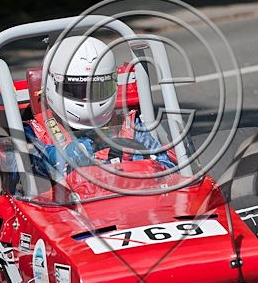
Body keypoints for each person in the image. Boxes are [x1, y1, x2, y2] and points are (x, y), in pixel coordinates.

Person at [23, 35, 174, 181]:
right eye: (78, 90)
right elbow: (24, 165)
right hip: (70, 204)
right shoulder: (37, 131)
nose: (88, 98)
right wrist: (62, 156)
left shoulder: (129, 126)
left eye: (98, 89)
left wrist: (140, 166)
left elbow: (166, 168)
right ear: (52, 84)